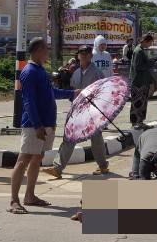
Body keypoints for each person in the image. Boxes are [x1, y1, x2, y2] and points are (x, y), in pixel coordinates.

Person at [9, 37, 76, 213]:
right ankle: (14, 200)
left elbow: (51, 93)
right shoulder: (29, 72)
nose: (48, 52)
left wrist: (72, 94)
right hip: (34, 125)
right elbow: (28, 101)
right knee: (23, 160)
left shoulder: (40, 70)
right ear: (38, 50)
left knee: (37, 158)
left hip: (46, 124)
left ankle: (29, 196)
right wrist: (37, 125)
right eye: (46, 49)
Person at [44, 45, 110, 179]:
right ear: (78, 55)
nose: (84, 55)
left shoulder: (97, 73)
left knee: (96, 139)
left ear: (91, 56)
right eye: (81, 53)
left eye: (86, 53)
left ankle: (103, 165)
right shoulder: (76, 73)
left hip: (92, 111)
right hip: (77, 110)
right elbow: (73, 91)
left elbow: (103, 92)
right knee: (69, 136)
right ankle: (57, 168)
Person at [128, 32, 155, 128]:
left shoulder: (140, 50)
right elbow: (138, 67)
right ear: (145, 41)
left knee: (141, 103)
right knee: (137, 103)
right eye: (150, 42)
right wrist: (150, 64)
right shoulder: (138, 51)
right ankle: (136, 122)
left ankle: (139, 122)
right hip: (138, 82)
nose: (150, 44)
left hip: (142, 82)